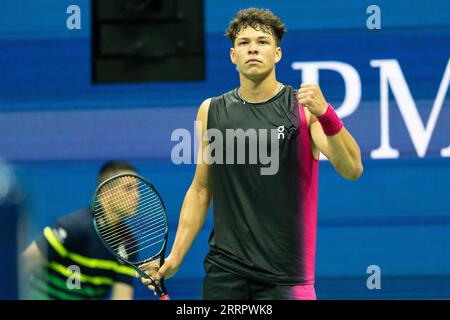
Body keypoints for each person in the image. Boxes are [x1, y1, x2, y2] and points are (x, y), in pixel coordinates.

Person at [140, 8, 363, 300]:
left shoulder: (303, 110)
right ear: (233, 55)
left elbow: (352, 169)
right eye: (244, 43)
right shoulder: (211, 111)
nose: (253, 48)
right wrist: (175, 258)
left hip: (287, 279)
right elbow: (202, 188)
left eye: (262, 41)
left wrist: (327, 115)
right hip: (225, 274)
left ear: (278, 54)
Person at [20, 161, 138, 300]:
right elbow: (21, 266)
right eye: (128, 188)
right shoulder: (74, 227)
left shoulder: (129, 245)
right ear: (105, 192)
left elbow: (122, 297)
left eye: (137, 189)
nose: (137, 196)